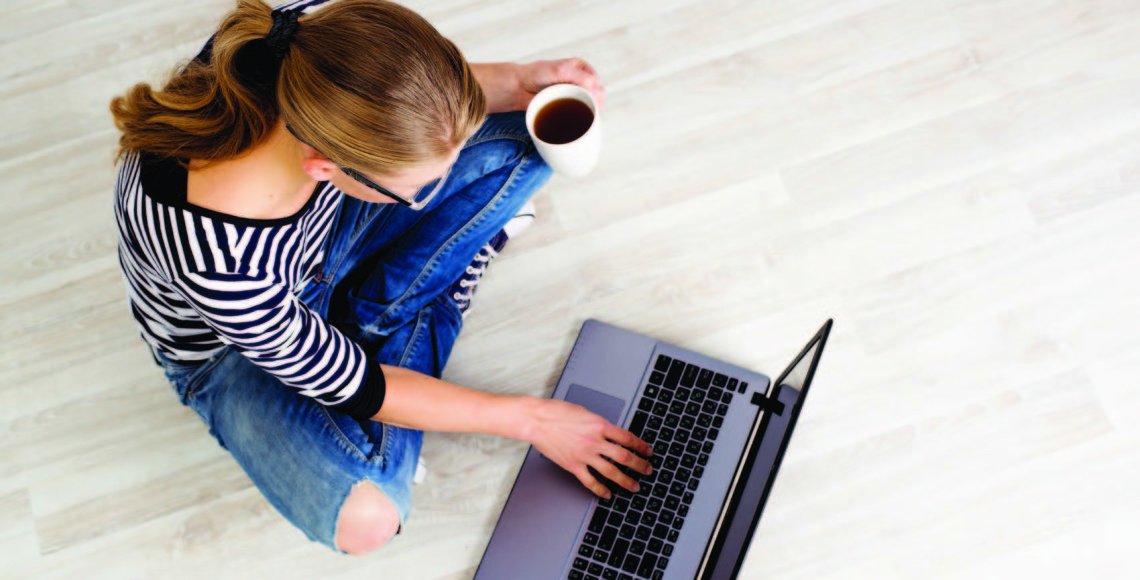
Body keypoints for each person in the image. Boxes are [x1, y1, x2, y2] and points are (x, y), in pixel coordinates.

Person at [109, 0, 651, 555]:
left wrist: (517, 82)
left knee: (533, 133)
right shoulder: (219, 262)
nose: (430, 196)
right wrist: (534, 421)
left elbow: (409, 93)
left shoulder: (309, 34)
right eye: (419, 190)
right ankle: (428, 302)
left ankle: (402, 302)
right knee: (369, 517)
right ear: (324, 165)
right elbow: (359, 388)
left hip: (320, 238)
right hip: (231, 355)